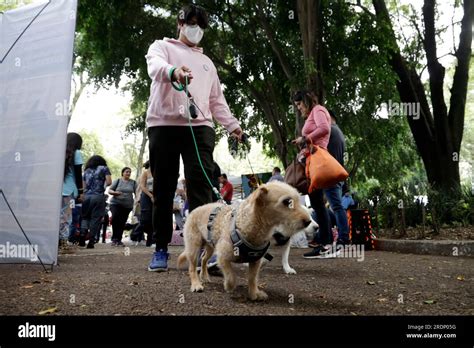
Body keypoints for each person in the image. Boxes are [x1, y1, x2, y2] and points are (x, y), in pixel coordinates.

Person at [145, 4, 243, 271]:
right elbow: (154, 67)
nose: (196, 28)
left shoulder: (207, 63)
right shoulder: (161, 47)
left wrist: (232, 125)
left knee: (201, 187)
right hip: (163, 125)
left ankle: (206, 252)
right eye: (191, 22)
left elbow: (216, 100)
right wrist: (173, 72)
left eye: (201, 25)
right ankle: (161, 248)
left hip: (199, 128)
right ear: (180, 23)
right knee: (163, 188)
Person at [292, 90, 332, 259]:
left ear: (306, 101)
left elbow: (324, 128)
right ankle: (324, 243)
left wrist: (305, 139)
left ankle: (326, 244)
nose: (299, 108)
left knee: (319, 205)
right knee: (317, 203)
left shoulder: (319, 110)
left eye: (299, 104)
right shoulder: (313, 113)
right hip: (311, 160)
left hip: (317, 160)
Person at [80, 155, 112, 249]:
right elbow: (109, 182)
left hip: (86, 197)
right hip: (98, 196)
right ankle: (91, 241)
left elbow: (83, 186)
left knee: (85, 217)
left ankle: (82, 236)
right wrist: (103, 187)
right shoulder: (104, 168)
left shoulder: (86, 171)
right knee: (95, 218)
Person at [59, 132, 83, 252]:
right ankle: (63, 244)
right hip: (68, 191)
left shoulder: (59, 151)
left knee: (57, 216)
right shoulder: (77, 153)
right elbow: (78, 175)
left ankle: (56, 243)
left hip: (55, 189)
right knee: (66, 217)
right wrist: (81, 191)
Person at [108, 167, 137, 246]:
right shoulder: (117, 181)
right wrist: (115, 193)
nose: (128, 173)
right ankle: (114, 238)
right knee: (115, 219)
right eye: (127, 172)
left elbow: (137, 193)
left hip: (127, 206)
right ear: (122, 173)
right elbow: (109, 190)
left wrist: (137, 202)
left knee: (122, 222)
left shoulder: (133, 183)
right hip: (115, 203)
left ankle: (118, 239)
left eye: (129, 172)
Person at [139, 161, 155, 246]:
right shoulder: (145, 173)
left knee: (154, 219)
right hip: (146, 196)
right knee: (145, 218)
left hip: (156, 196)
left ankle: (151, 240)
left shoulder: (158, 172)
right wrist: (151, 196)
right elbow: (142, 186)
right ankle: (135, 235)